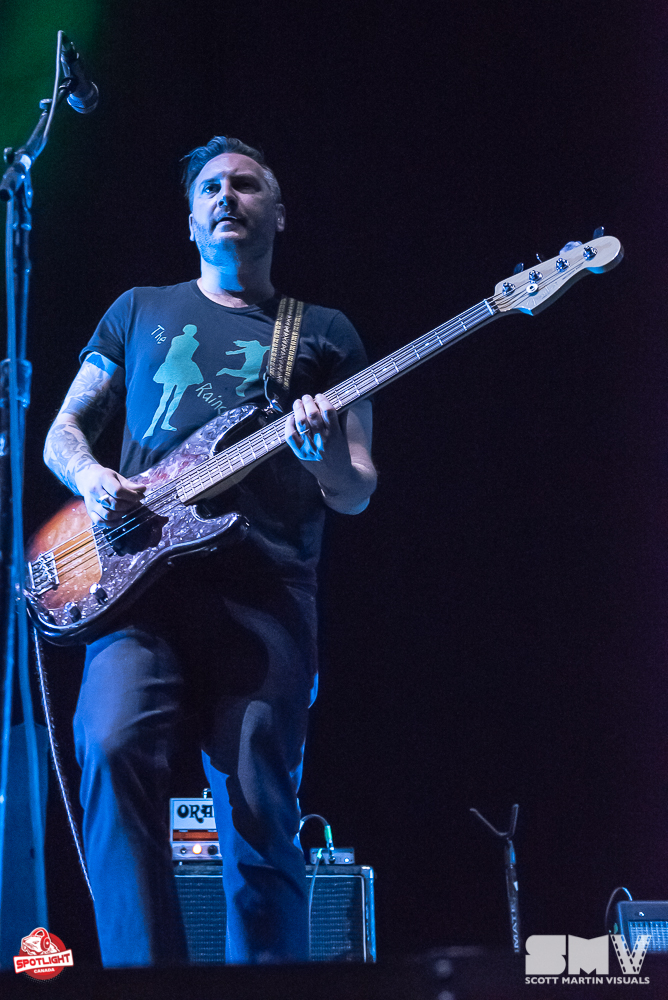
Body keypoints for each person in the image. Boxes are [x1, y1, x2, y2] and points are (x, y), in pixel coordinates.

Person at [43, 136, 377, 967]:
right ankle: (141, 981)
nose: (228, 195)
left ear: (278, 213)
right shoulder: (138, 311)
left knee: (260, 805)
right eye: (211, 188)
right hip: (137, 586)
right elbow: (62, 431)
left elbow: (356, 485)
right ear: (191, 220)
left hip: (263, 589)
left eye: (247, 184)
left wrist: (319, 451)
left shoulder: (325, 335)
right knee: (111, 744)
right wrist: (92, 479)